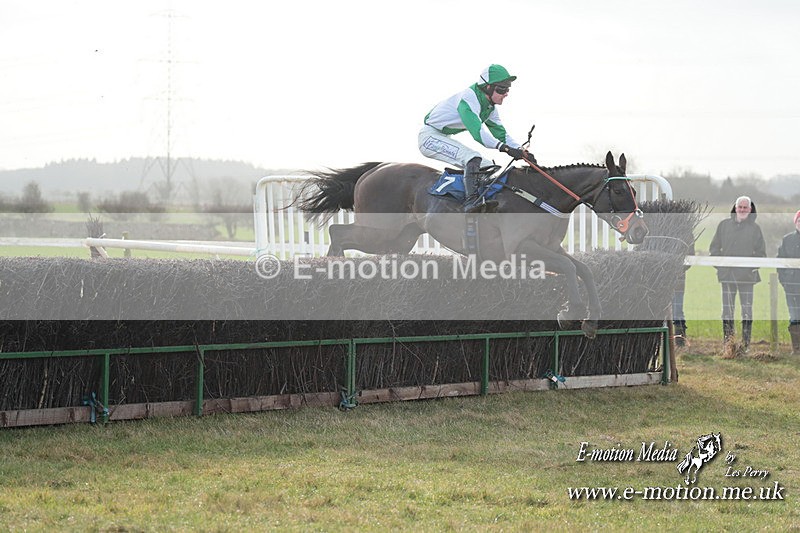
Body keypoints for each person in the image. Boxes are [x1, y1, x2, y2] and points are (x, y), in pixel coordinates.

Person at [419, 64, 533, 212]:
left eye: (507, 89)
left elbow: (502, 135)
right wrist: (505, 149)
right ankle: (470, 203)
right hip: (429, 138)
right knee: (473, 158)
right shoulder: (468, 98)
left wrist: (521, 151)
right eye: (501, 89)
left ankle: (479, 203)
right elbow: (478, 133)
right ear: (488, 87)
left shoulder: (490, 108)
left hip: (442, 136)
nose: (506, 94)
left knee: (487, 167)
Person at [709, 196, 766, 350]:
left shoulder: (755, 229)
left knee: (747, 311)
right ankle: (728, 344)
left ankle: (746, 345)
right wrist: (721, 267)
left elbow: (761, 253)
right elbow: (714, 248)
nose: (742, 210)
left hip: (747, 277)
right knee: (727, 311)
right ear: (735, 208)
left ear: (750, 209)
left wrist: (750, 267)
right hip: (727, 276)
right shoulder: (723, 226)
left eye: (745, 207)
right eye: (739, 207)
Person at [777, 210, 800, 354]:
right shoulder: (787, 240)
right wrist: (784, 281)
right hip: (791, 286)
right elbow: (780, 262)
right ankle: (796, 349)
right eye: (799, 220)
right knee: (794, 316)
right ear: (795, 222)